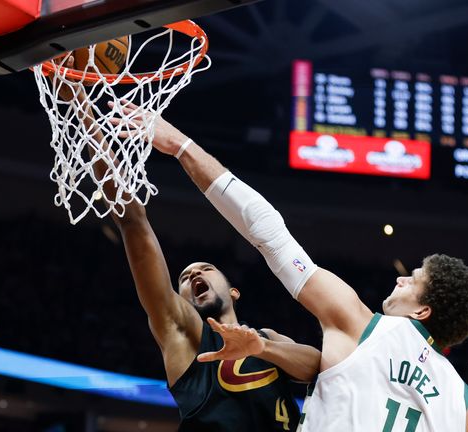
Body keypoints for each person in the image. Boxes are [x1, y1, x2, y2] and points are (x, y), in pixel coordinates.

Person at [127, 105, 468, 431]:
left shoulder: (360, 324)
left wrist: (180, 145)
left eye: (413, 279)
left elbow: (267, 230)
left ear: (423, 310)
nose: (401, 277)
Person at [53, 70, 321, 431]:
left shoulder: (268, 339)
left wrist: (260, 347)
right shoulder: (181, 330)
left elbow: (316, 367)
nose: (194, 274)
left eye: (205, 268)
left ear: (235, 291)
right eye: (185, 276)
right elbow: (131, 219)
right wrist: (82, 106)